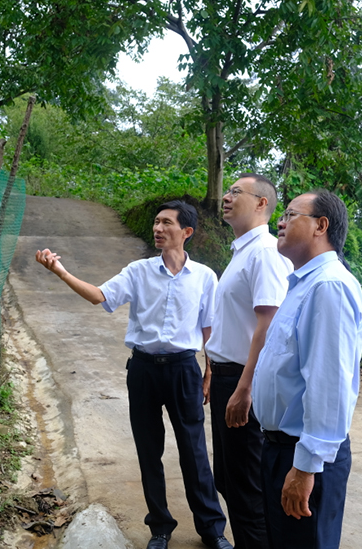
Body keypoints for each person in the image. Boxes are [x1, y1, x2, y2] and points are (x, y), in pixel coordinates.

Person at [35, 200, 232, 549]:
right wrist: (61, 272)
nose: (158, 228)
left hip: (184, 370)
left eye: (166, 223)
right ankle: (160, 528)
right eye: (156, 222)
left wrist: (209, 372)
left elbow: (209, 329)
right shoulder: (138, 271)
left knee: (195, 452)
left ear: (186, 232)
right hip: (143, 370)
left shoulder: (204, 276)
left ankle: (212, 529)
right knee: (148, 451)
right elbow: (100, 296)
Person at [251, 190, 362, 549]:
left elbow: (328, 386)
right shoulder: (303, 284)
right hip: (280, 449)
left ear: (321, 226)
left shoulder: (329, 286)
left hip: (303, 456)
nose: (280, 222)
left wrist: (305, 467)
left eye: (290, 215)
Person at [204, 174, 293, 549]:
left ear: (261, 203)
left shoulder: (265, 252)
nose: (226, 197)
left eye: (236, 192)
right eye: (227, 191)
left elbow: (268, 324)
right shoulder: (243, 252)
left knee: (248, 491)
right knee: (229, 480)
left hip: (243, 380)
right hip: (228, 378)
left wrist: (245, 388)